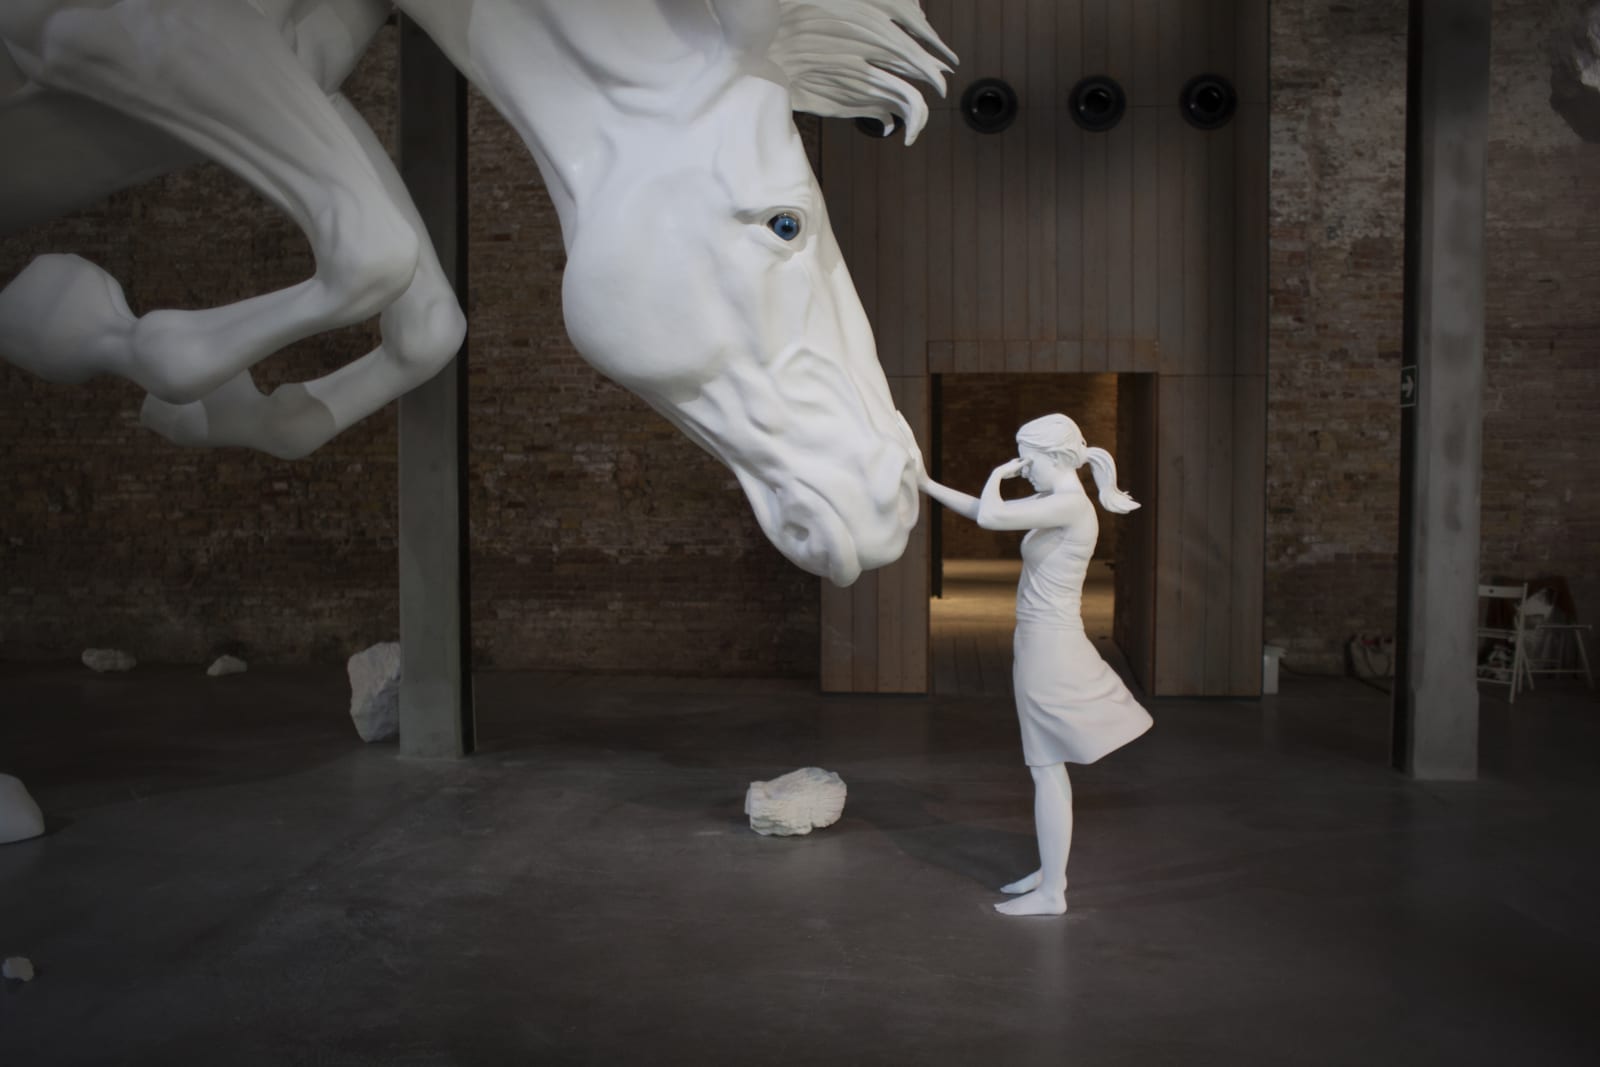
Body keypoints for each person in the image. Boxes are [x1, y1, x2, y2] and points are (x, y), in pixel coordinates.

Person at [916, 413, 1152, 916]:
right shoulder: (1055, 502)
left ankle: (1052, 893)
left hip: (1050, 648)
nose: (1024, 470)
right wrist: (925, 483)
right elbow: (984, 509)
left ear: (1057, 457)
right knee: (1048, 769)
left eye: (1030, 460)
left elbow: (990, 515)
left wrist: (999, 474)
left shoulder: (1069, 505)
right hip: (1039, 642)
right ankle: (1051, 875)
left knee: (1045, 767)